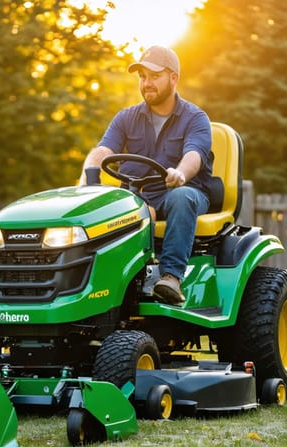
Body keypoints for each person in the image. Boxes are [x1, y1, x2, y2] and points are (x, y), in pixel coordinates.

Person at [80, 45, 223, 305]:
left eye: (154, 76)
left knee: (182, 197)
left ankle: (170, 278)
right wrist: (90, 178)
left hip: (181, 195)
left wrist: (180, 173)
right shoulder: (126, 118)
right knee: (109, 209)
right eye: (142, 77)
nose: (147, 83)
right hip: (139, 198)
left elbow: (195, 155)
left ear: (173, 78)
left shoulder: (195, 118)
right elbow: (101, 151)